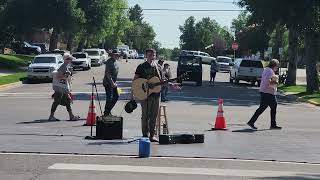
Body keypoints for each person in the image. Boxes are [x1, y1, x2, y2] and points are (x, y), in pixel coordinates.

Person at [132, 49, 162, 142]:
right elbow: (135, 81)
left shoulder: (158, 67)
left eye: (154, 55)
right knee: (145, 115)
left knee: (154, 116)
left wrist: (172, 84)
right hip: (144, 95)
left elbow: (161, 80)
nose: (152, 57)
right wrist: (132, 94)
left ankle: (152, 135)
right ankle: (145, 135)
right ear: (146, 56)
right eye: (150, 55)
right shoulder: (141, 66)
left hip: (156, 95)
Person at [247, 59, 282, 130]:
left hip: (266, 91)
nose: (277, 68)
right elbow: (269, 81)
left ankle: (272, 124)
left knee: (270, 107)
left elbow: (266, 79)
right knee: (265, 108)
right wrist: (276, 82)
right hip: (268, 92)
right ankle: (252, 122)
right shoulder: (270, 71)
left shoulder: (266, 70)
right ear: (274, 65)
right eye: (277, 66)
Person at [49, 54, 80, 121]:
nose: (71, 60)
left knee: (67, 101)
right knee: (56, 101)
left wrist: (67, 75)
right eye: (70, 59)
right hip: (59, 87)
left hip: (62, 87)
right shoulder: (63, 66)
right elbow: (58, 76)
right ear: (67, 60)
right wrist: (66, 75)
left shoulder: (65, 66)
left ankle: (71, 116)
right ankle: (51, 116)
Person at [103, 49, 120, 116]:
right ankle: (106, 113)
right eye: (115, 55)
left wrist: (114, 82)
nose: (116, 56)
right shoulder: (109, 62)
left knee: (116, 96)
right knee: (109, 98)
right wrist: (112, 83)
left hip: (113, 83)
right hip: (108, 83)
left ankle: (108, 111)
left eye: (117, 55)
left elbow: (115, 73)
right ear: (112, 55)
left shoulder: (116, 62)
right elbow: (107, 73)